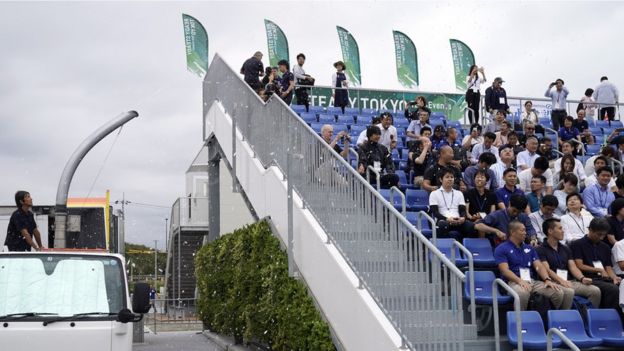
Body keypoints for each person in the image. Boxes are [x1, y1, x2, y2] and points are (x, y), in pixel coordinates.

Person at [494, 220, 564, 310]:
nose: (525, 233)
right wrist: (519, 281)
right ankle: (521, 321)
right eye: (522, 230)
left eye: (525, 230)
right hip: (512, 282)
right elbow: (504, 271)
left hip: (531, 281)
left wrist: (547, 279)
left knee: (557, 292)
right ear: (512, 232)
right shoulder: (502, 248)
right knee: (522, 293)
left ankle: (548, 319)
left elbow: (539, 266)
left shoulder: (529, 248)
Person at [537, 218, 601, 308]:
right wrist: (561, 281)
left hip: (569, 281)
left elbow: (573, 267)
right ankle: (565, 319)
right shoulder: (540, 249)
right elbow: (547, 269)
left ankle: (588, 317)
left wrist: (582, 278)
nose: (563, 231)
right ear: (550, 231)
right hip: (553, 282)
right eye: (560, 228)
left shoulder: (565, 248)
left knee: (595, 291)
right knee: (568, 291)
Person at [571, 218, 622, 312]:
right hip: (588, 278)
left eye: (604, 235)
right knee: (612, 289)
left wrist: (614, 277)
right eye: (599, 234)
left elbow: (608, 267)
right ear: (590, 230)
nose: (601, 238)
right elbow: (579, 265)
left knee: (620, 285)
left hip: (604, 278)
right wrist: (599, 270)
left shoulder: (605, 247)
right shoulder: (577, 244)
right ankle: (609, 316)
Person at [429, 168, 476, 239]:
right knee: (442, 224)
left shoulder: (459, 193)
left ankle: (465, 247)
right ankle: (443, 247)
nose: (450, 179)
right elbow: (435, 212)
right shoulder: (434, 193)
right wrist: (447, 219)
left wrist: (463, 218)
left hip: (457, 220)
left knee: (470, 226)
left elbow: (462, 210)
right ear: (441, 179)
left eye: (452, 177)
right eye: (447, 177)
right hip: (443, 220)